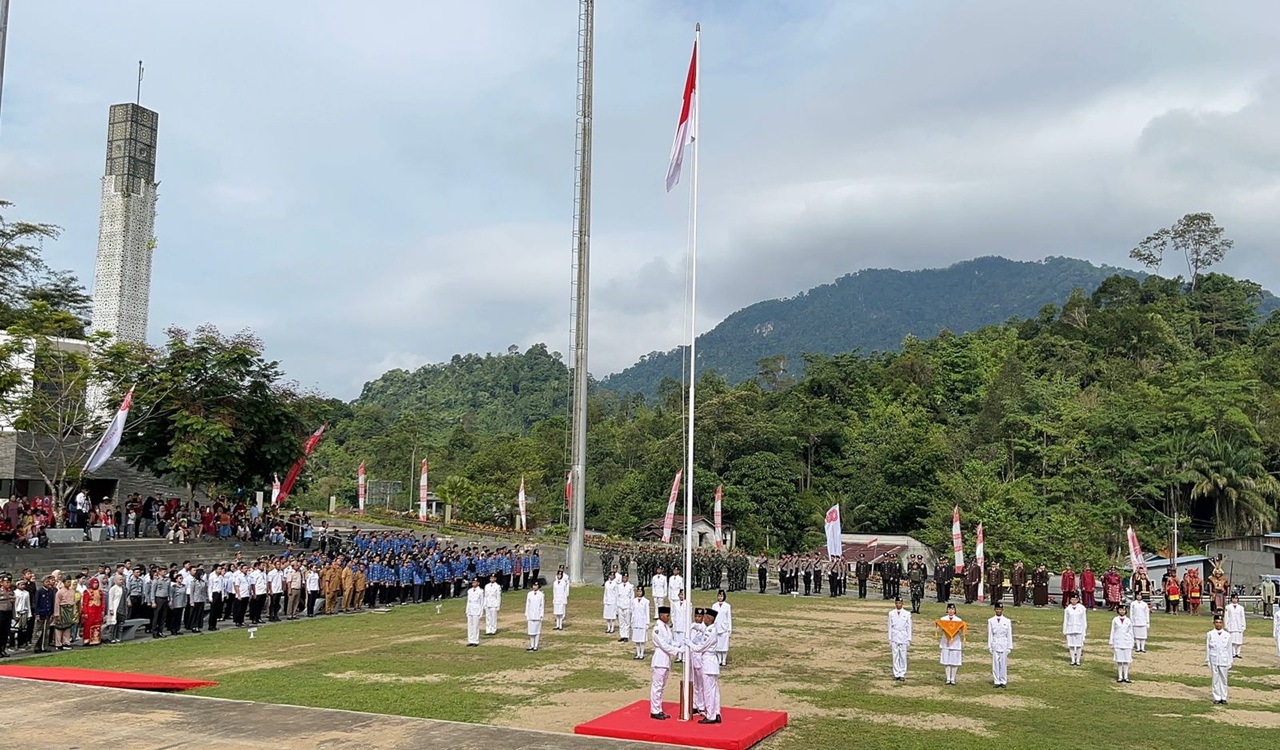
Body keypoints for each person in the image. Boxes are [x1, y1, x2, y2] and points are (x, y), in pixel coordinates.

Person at [649, 605, 678, 720]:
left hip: (666, 660)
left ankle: (659, 708)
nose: (669, 617)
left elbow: (670, 642)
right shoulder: (657, 629)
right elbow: (663, 645)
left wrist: (680, 645)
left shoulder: (666, 627)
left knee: (662, 686)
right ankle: (654, 710)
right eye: (667, 615)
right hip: (659, 660)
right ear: (661, 616)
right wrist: (677, 650)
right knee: (657, 686)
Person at [694, 607, 722, 724]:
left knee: (708, 691)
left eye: (705, 617)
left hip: (708, 662)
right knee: (714, 690)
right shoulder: (712, 629)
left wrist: (689, 643)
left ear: (709, 619)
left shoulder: (710, 632)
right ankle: (716, 712)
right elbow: (701, 628)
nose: (703, 618)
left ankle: (710, 716)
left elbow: (700, 647)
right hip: (712, 663)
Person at [935, 602, 965, 685]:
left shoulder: (958, 620)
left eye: (952, 609)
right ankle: (948, 678)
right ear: (947, 610)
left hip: (955, 641)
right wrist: (939, 627)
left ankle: (953, 678)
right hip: (946, 641)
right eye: (949, 609)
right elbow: (939, 630)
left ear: (955, 610)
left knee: (954, 661)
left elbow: (962, 632)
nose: (951, 611)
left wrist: (960, 629)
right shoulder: (943, 619)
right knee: (946, 660)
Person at [1206, 613, 1233, 704]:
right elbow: (1208, 648)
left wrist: (1230, 661)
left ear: (1223, 623)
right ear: (1214, 623)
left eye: (1220, 622)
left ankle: (1223, 697)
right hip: (1214, 659)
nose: (1218, 624)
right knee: (1215, 679)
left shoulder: (1227, 635)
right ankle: (1217, 697)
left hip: (1224, 659)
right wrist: (1208, 660)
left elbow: (1229, 649)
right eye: (1216, 622)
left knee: (1224, 679)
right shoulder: (1210, 634)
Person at [987, 602, 1013, 688]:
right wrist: (990, 645)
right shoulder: (991, 621)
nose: (998, 611)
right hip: (995, 642)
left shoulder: (1007, 621)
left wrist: (1010, 646)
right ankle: (996, 681)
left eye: (1000, 609)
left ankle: (1003, 681)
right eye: (997, 609)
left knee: (1003, 663)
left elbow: (1009, 634)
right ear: (994, 610)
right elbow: (990, 634)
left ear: (1002, 610)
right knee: (995, 664)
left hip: (1004, 643)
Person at [887, 596, 912, 681]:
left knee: (903, 655)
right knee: (895, 655)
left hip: (903, 636)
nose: (898, 604)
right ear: (895, 603)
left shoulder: (907, 613)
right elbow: (889, 626)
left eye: (900, 603)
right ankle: (896, 673)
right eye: (897, 603)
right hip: (895, 635)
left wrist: (909, 639)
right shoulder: (891, 613)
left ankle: (902, 673)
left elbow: (909, 627)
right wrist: (890, 638)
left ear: (902, 604)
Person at [1109, 603, 1134, 683]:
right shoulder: (1115, 620)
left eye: (1123, 610)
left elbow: (1131, 632)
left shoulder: (1128, 620)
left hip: (1127, 642)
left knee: (1126, 660)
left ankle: (1126, 676)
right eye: (1120, 610)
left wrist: (1132, 642)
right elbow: (1112, 631)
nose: (1122, 611)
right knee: (1119, 660)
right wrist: (1111, 641)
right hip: (1118, 641)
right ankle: (1120, 676)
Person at [1062, 592, 1087, 666]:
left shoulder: (1082, 608)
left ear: (1078, 600)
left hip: (1079, 628)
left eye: (1075, 599)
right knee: (1071, 645)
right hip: (1070, 629)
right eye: (1072, 599)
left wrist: (1084, 630)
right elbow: (1065, 620)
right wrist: (1064, 630)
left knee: (1079, 645)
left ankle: (1078, 660)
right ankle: (1073, 660)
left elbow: (1084, 620)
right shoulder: (1067, 609)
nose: (1073, 601)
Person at [711, 589, 732, 666]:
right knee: (718, 645)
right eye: (719, 596)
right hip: (716, 627)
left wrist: (729, 629)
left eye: (721, 596)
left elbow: (729, 618)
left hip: (724, 627)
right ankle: (719, 659)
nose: (720, 597)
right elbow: (712, 617)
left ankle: (724, 659)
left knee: (724, 644)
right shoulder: (714, 605)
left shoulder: (727, 606)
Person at [1223, 594, 1246, 659]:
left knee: (1239, 640)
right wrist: (1226, 625)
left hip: (1239, 625)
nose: (1234, 600)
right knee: (1232, 640)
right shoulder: (1228, 607)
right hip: (1231, 625)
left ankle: (1238, 653)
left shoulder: (1241, 608)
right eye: (1233, 598)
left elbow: (1242, 617)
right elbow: (1226, 616)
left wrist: (1243, 625)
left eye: (1236, 598)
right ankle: (1233, 653)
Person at [525, 580, 545, 652]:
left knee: (537, 631)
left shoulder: (541, 594)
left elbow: (542, 606)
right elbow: (527, 604)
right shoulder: (529, 594)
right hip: (531, 615)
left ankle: (536, 646)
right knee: (531, 632)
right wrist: (527, 614)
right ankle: (531, 645)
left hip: (537, 615)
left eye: (536, 585)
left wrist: (541, 615)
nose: (535, 587)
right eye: (534, 585)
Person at [631, 586, 651, 660]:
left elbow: (647, 613)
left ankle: (642, 654)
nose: (639, 593)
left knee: (642, 640)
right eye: (638, 591)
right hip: (636, 621)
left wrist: (647, 623)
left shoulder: (646, 601)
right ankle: (638, 653)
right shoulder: (634, 601)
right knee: (636, 639)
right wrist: (632, 621)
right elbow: (633, 612)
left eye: (640, 591)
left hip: (642, 622)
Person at [671, 588, 689, 663]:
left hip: (684, 625)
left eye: (683, 594)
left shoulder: (688, 604)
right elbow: (673, 614)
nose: (681, 596)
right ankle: (679, 656)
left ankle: (684, 656)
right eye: (680, 594)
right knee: (677, 641)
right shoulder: (675, 604)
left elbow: (688, 615)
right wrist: (673, 622)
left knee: (683, 641)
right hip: (677, 625)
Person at [465, 578, 484, 646]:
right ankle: (470, 640)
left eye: (475, 582)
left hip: (476, 609)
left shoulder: (480, 591)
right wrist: (467, 610)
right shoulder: (469, 591)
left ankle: (476, 640)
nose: (474, 584)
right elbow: (468, 601)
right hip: (470, 609)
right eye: (473, 582)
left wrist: (481, 611)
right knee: (470, 625)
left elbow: (482, 602)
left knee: (475, 625)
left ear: (478, 583)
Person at [617, 573, 634, 642]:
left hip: (627, 605)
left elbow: (632, 597)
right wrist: (617, 606)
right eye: (623, 577)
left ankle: (626, 636)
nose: (624, 578)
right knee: (621, 622)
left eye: (626, 577)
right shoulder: (619, 586)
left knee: (627, 622)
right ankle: (622, 635)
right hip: (620, 605)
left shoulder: (630, 586)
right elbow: (617, 596)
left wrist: (631, 607)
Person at [603, 570, 619, 634]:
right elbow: (605, 592)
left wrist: (616, 602)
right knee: (607, 616)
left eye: (613, 575)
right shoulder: (606, 583)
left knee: (612, 616)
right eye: (610, 575)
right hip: (607, 601)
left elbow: (617, 593)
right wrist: (604, 600)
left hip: (613, 601)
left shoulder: (615, 584)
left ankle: (612, 627)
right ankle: (608, 627)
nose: (611, 576)